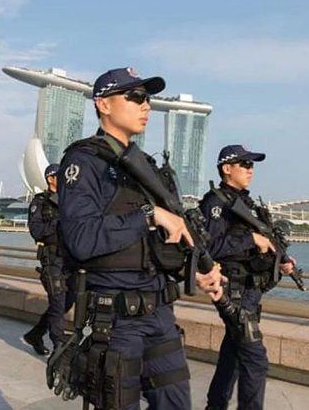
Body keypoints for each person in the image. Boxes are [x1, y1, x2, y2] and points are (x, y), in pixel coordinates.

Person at [53, 67, 223, 410]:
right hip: (115, 320)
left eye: (148, 99)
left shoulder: (148, 168)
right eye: (135, 97)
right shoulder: (85, 161)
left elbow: (165, 240)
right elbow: (80, 239)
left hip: (160, 313)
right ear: (103, 104)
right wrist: (148, 215)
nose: (146, 106)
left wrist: (198, 268)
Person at [202, 145, 297, 410]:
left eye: (252, 165)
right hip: (234, 291)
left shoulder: (247, 204)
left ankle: (215, 406)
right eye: (244, 164)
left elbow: (259, 248)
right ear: (226, 168)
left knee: (232, 355)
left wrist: (282, 262)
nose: (250, 170)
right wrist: (251, 238)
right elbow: (210, 247)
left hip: (250, 292)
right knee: (256, 360)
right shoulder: (216, 202)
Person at [22, 163, 75, 355]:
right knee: (58, 301)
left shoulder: (72, 201)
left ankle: (35, 334)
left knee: (66, 302)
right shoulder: (40, 202)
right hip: (52, 260)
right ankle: (59, 345)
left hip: (72, 260)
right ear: (51, 178)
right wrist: (58, 223)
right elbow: (36, 231)